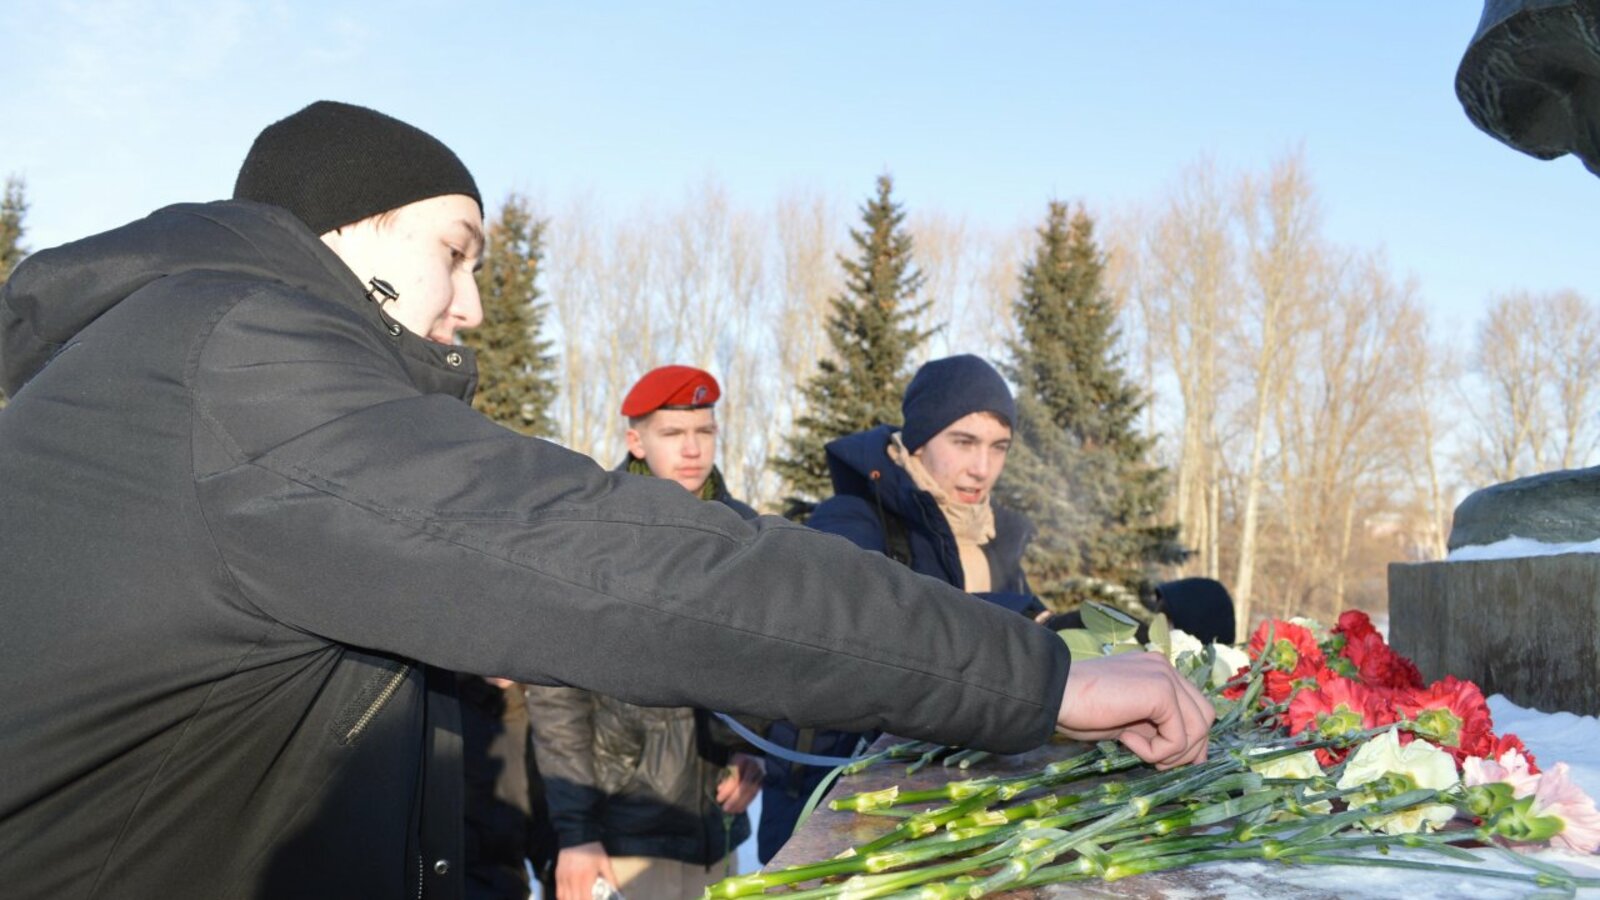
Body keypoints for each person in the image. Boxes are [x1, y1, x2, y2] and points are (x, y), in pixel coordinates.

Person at [0, 101, 1212, 900]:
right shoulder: (240, 357)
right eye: (456, 250)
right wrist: (1036, 682)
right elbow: (622, 566)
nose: (470, 306)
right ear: (337, 235)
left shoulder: (190, 365)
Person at [758, 354, 1047, 861]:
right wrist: (1015, 621)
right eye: (963, 442)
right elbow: (867, 629)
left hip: (945, 814)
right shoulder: (852, 520)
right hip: (834, 812)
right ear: (917, 440)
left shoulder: (993, 540)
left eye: (998, 447)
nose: (982, 467)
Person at [526, 365, 764, 900]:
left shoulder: (748, 535)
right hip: (621, 833)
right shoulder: (595, 536)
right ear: (636, 440)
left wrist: (754, 748)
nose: (693, 449)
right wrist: (577, 833)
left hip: (715, 831)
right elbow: (555, 692)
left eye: (704, 431)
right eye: (673, 433)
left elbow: (763, 662)